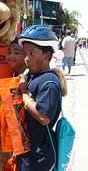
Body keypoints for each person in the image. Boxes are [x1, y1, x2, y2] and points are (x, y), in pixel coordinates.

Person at [17, 25, 62, 171]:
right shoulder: (33, 76)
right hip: (27, 152)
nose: (26, 59)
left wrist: (24, 94)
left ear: (47, 55)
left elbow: (44, 118)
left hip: (39, 155)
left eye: (32, 53)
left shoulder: (49, 82)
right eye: (25, 53)